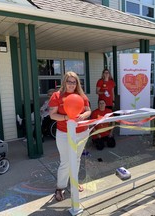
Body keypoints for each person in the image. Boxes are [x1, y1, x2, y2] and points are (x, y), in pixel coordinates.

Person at [49, 71, 91, 201]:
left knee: (77, 159)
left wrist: (82, 116)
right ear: (64, 82)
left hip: (82, 132)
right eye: (69, 81)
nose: (72, 84)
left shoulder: (82, 96)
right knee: (65, 161)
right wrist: (67, 117)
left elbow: (88, 111)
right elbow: (52, 115)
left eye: (74, 82)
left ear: (77, 83)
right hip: (64, 133)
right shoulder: (57, 96)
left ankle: (74, 182)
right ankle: (60, 187)